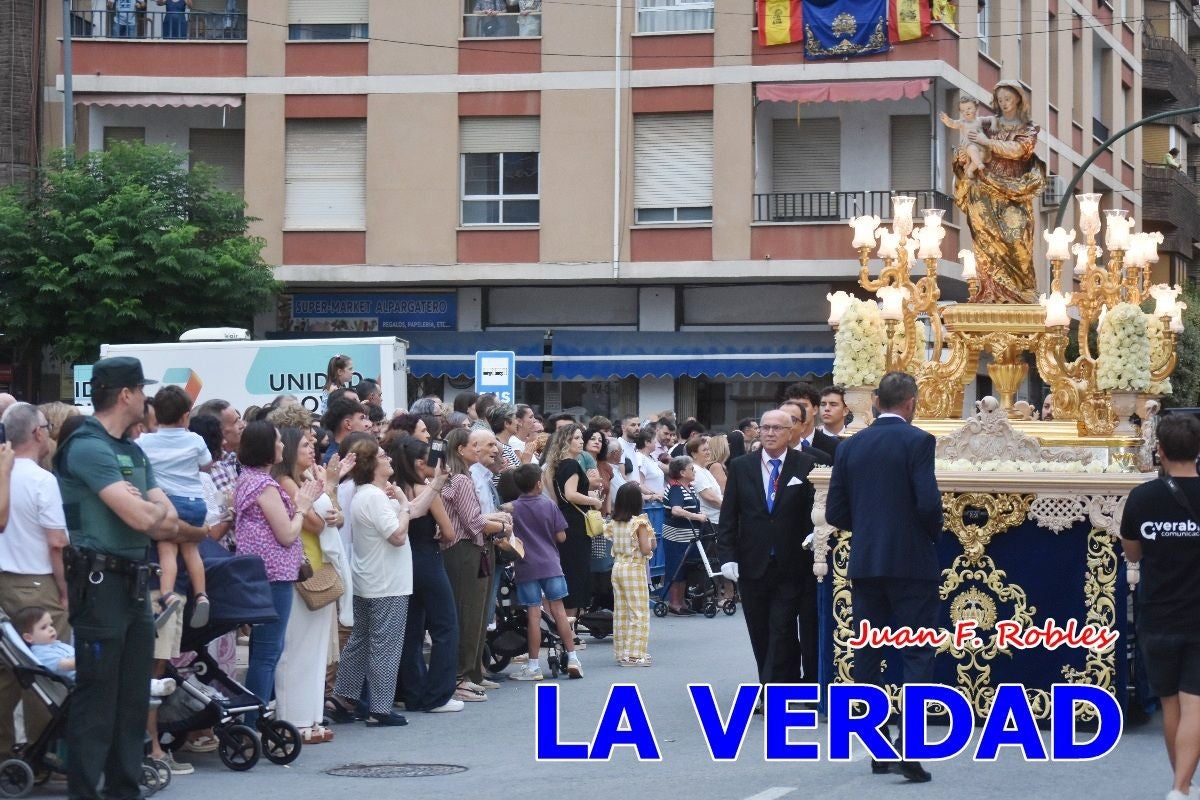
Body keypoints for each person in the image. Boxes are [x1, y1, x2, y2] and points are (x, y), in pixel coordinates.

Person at [54, 356, 199, 800]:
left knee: (133, 698)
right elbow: (143, 517)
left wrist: (148, 512)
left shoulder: (132, 450)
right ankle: (85, 792)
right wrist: (148, 512)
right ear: (125, 395)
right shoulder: (87, 446)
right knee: (98, 698)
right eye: (142, 390)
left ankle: (123, 790)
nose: (147, 399)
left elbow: (166, 520)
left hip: (133, 582)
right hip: (99, 585)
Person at [825, 372, 943, 783]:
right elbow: (928, 501)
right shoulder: (918, 441)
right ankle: (911, 748)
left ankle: (877, 744)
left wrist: (870, 526)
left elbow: (835, 514)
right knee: (915, 653)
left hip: (866, 563)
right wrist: (930, 535)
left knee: (869, 654)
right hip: (911, 562)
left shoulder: (851, 447)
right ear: (911, 402)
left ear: (876, 402)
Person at [1119, 413, 1200, 800]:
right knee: (1196, 703)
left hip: (1157, 611)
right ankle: (1180, 786)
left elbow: (1132, 551)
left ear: (1160, 450)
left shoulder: (1143, 497)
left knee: (1170, 703)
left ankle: (1180, 786)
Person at [330, 437, 429, 727]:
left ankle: (343, 697)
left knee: (360, 642)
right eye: (383, 456)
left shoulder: (365, 494)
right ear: (372, 463)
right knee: (386, 644)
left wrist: (402, 503)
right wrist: (404, 507)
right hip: (386, 582)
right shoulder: (373, 496)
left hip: (370, 578)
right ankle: (380, 708)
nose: (388, 459)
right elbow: (397, 536)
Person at [717, 409, 818, 688]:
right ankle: (778, 682)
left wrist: (813, 537)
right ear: (759, 431)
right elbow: (729, 516)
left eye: (777, 428)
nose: (771, 433)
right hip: (752, 562)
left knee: (782, 627)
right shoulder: (741, 466)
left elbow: (815, 512)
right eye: (766, 428)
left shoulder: (806, 465)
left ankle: (773, 691)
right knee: (759, 629)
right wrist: (727, 557)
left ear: (790, 432)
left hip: (792, 562)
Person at [233, 421, 322, 727]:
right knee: (269, 650)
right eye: (278, 441)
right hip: (274, 574)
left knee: (265, 648)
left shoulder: (249, 479)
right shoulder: (264, 485)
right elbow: (286, 534)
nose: (282, 446)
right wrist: (301, 507)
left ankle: (255, 715)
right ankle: (255, 719)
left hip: (261, 573)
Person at [0, 403, 70, 755]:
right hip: (38, 582)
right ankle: (40, 754)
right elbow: (56, 542)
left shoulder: (3, 472)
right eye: (45, 426)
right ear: (37, 433)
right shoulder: (43, 479)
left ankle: (4, 752)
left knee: (6, 672)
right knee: (45, 669)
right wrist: (65, 590)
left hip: (4, 580)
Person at [272, 427, 344, 744]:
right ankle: (294, 720)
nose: (311, 448)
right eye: (304, 445)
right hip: (297, 569)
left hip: (314, 566)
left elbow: (333, 517)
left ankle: (312, 717)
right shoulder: (286, 482)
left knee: (315, 652)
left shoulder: (302, 481)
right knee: (296, 649)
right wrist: (322, 493)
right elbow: (316, 522)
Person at [952, 80, 1045, 304]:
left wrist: (987, 142)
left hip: (1015, 190)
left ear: (1019, 100)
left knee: (1018, 242)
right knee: (985, 241)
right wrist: (965, 154)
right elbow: (968, 142)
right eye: (1000, 99)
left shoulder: (1027, 129)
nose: (1004, 103)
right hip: (984, 188)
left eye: (1008, 99)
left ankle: (1021, 292)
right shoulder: (987, 125)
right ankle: (991, 292)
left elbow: (1019, 150)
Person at [387, 436, 460, 713]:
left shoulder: (396, 490)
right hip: (428, 560)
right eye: (430, 457)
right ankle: (438, 694)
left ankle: (413, 692)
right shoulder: (424, 490)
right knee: (445, 626)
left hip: (403, 562)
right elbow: (450, 533)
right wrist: (441, 532)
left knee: (411, 630)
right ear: (420, 463)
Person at [440, 427, 511, 702]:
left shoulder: (460, 478)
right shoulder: (462, 480)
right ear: (462, 449)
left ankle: (471, 673)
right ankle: (462, 676)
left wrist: (495, 520)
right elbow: (474, 522)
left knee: (475, 614)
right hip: (466, 550)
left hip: (469, 548)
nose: (491, 450)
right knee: (468, 614)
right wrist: (501, 523)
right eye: (479, 445)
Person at [137, 385, 212, 627]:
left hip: (168, 503)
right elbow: (207, 465)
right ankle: (201, 595)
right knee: (191, 551)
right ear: (185, 415)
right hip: (196, 503)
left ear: (156, 414)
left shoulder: (144, 441)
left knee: (167, 550)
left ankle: (167, 595)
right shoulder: (195, 439)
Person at [508, 464, 582, 680]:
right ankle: (573, 657)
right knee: (559, 611)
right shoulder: (549, 505)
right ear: (539, 483)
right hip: (551, 563)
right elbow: (561, 537)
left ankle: (533, 666)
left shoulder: (513, 508)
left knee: (533, 614)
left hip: (526, 565)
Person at [543, 424, 602, 621]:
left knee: (568, 570)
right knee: (576, 572)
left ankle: (564, 624)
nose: (581, 441)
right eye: (577, 438)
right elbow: (570, 494)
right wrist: (593, 500)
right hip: (575, 523)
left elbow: (558, 496)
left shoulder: (557, 465)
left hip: (565, 519)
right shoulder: (571, 465)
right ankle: (569, 626)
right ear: (567, 441)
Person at [606, 483, 654, 666]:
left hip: (618, 566)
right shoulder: (639, 523)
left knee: (621, 612)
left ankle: (622, 652)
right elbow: (646, 548)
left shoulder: (615, 522)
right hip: (634, 568)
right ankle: (634, 655)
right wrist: (650, 536)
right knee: (639, 612)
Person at [661, 456, 707, 616]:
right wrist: (696, 517)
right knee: (676, 568)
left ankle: (681, 602)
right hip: (676, 536)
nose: (694, 471)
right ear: (682, 472)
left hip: (689, 535)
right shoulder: (675, 488)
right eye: (691, 469)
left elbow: (690, 507)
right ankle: (675, 603)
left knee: (685, 567)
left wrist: (698, 513)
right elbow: (676, 510)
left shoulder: (690, 487)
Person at [939, 96, 995, 178]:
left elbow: (992, 119)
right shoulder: (962, 122)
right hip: (969, 144)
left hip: (980, 144)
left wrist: (993, 125)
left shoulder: (979, 120)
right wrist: (947, 120)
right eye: (963, 110)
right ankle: (979, 164)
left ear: (976, 108)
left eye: (969, 108)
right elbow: (953, 123)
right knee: (973, 150)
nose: (966, 111)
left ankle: (970, 170)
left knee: (982, 155)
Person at [15, 606, 75, 680]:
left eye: (51, 625)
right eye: (43, 627)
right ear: (29, 638)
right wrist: (87, 660)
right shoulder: (41, 653)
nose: (51, 629)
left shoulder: (55, 644)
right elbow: (66, 665)